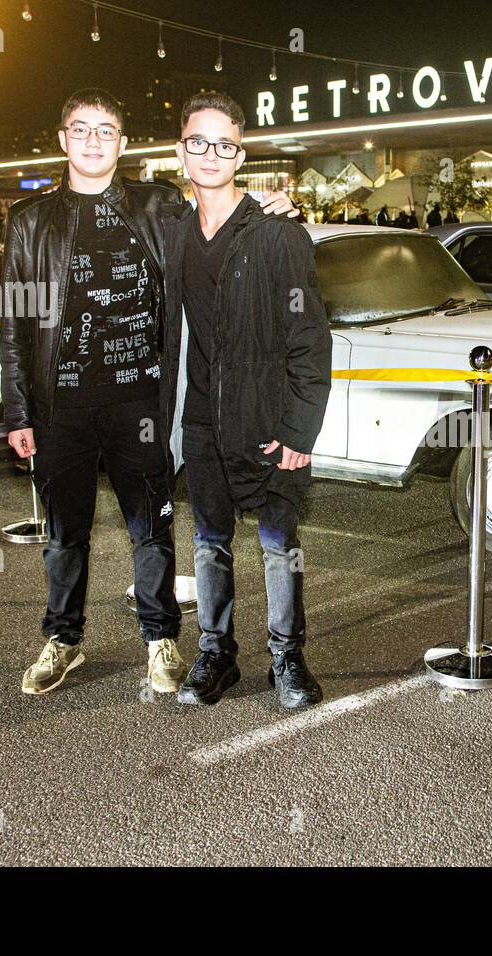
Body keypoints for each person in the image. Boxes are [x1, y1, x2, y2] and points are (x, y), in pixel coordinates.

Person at [0, 88, 299, 697]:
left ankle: (161, 638)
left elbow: (220, 213)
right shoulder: (29, 223)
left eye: (106, 131)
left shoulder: (157, 207)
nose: (92, 141)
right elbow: (15, 325)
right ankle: (64, 639)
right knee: (64, 534)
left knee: (151, 530)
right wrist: (18, 409)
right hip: (60, 408)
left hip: (141, 402)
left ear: (124, 144)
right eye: (80, 130)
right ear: (62, 139)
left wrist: (274, 211)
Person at [162, 91, 331, 711]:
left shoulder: (277, 235)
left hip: (267, 419)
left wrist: (298, 431)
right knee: (209, 542)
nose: (210, 154)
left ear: (241, 153)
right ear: (181, 151)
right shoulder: (172, 232)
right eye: (197, 142)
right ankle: (217, 653)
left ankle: (287, 657)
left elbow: (311, 341)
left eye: (223, 144)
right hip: (201, 422)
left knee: (280, 545)